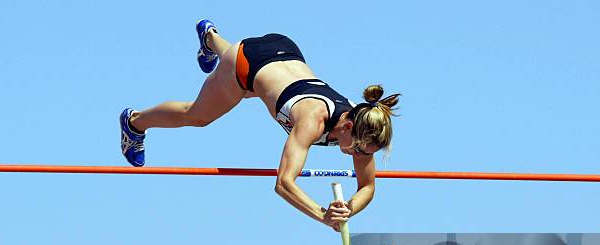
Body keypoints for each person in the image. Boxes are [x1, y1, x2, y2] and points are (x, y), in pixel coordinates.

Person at [119, 19, 400, 231]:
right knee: (197, 116)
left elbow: (367, 186)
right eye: (361, 151)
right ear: (348, 127)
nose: (361, 157)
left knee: (254, 84)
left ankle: (210, 36)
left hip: (283, 52)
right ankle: (134, 122)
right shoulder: (312, 120)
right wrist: (322, 215)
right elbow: (283, 183)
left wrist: (348, 209)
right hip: (246, 65)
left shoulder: (365, 126)